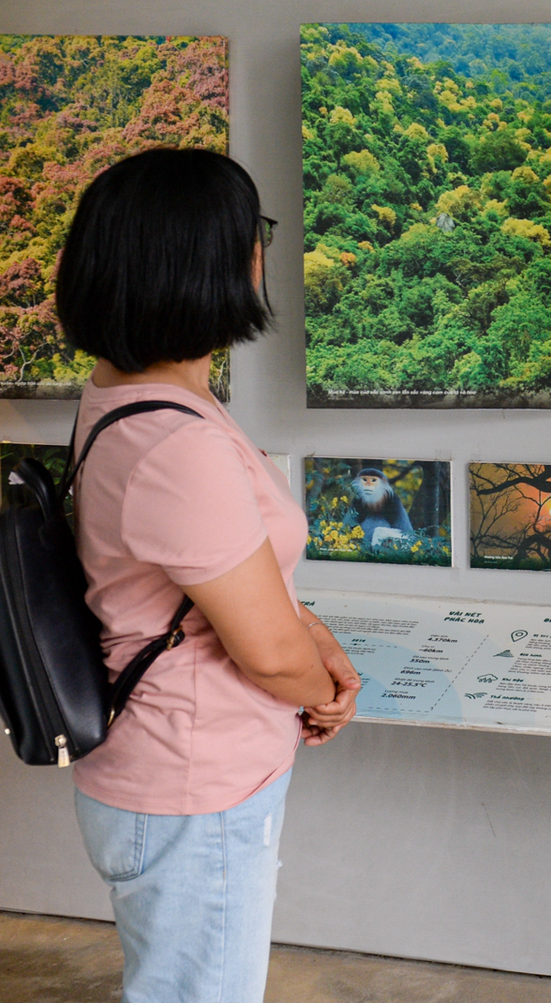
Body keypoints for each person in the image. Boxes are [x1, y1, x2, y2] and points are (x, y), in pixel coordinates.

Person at [54, 147, 362, 1003]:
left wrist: (314, 643)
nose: (262, 254)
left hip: (173, 768)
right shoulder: (177, 443)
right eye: (253, 234)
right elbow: (263, 652)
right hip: (193, 777)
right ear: (201, 262)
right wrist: (321, 686)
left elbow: (225, 578)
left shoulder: (132, 400)